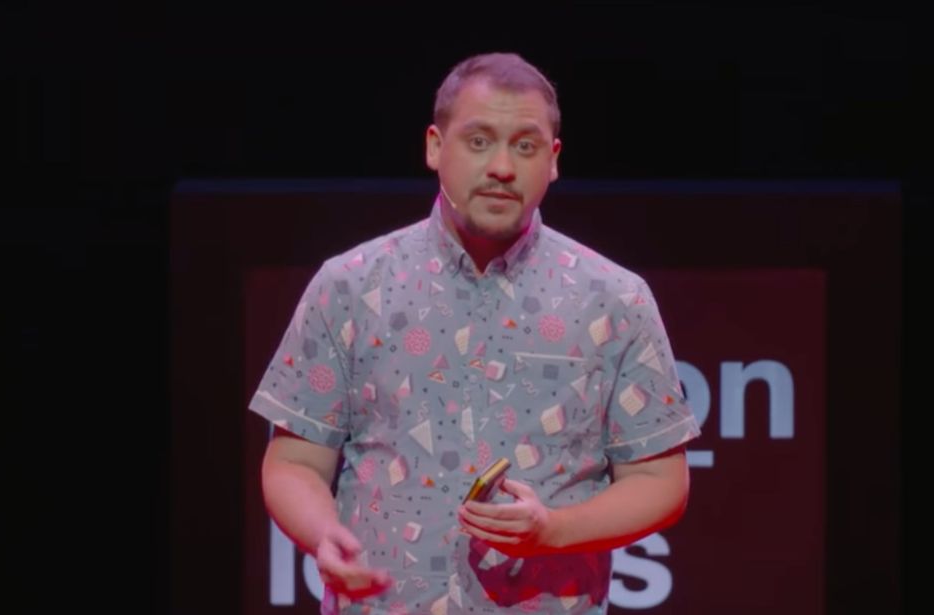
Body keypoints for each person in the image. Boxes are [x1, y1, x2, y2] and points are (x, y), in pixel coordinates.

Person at [249, 52, 700, 615]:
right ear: (436, 147)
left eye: (526, 145)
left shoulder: (615, 299)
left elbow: (660, 479)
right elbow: (293, 463)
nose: (503, 167)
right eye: (479, 141)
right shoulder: (351, 286)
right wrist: (322, 534)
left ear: (553, 160)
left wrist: (554, 531)